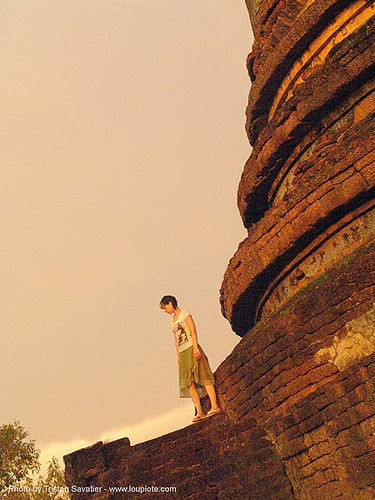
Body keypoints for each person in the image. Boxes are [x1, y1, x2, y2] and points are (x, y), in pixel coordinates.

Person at [159, 295, 221, 422]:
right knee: (189, 383)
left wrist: (196, 347)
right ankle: (200, 411)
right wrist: (178, 356)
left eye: (165, 307)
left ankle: (215, 406)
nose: (165, 310)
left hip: (191, 347)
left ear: (170, 303)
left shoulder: (184, 314)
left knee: (203, 375)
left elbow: (193, 330)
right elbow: (176, 339)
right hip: (183, 352)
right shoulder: (172, 321)